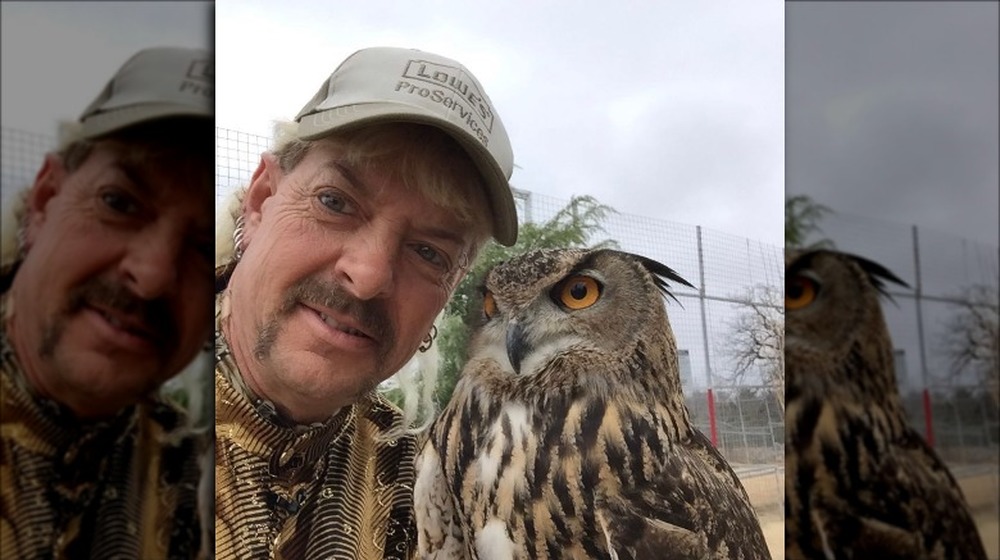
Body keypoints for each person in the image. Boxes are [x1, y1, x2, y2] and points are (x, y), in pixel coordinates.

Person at [214, 46, 518, 559]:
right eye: (335, 202)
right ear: (262, 199)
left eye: (428, 252)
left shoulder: (430, 497)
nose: (368, 275)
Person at [0, 47, 214, 559]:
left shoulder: (193, 483)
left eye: (203, 248)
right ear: (45, 199)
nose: (152, 276)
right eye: (119, 203)